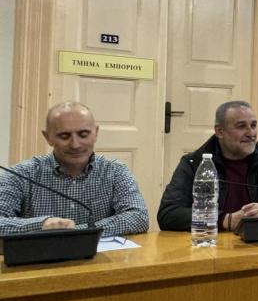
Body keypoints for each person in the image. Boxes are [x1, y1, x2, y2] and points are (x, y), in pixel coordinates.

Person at [0, 101, 148, 236]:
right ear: (48, 137)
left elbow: (138, 217)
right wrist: (42, 225)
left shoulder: (115, 171)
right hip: (40, 257)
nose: (75, 144)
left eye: (83, 134)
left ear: (96, 133)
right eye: (64, 136)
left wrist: (76, 232)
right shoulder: (20, 175)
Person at [158, 100, 258, 231]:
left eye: (253, 125)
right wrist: (225, 220)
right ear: (220, 131)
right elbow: (168, 214)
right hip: (210, 242)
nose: (251, 133)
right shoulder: (194, 163)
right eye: (241, 126)